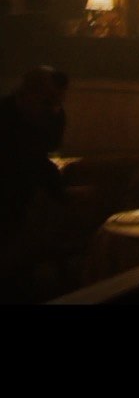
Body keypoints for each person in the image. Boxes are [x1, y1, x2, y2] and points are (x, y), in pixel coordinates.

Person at [0, 66, 69, 300]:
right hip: (12, 184)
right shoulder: (6, 112)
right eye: (45, 95)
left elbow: (51, 144)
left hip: (32, 184)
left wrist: (55, 110)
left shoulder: (48, 112)